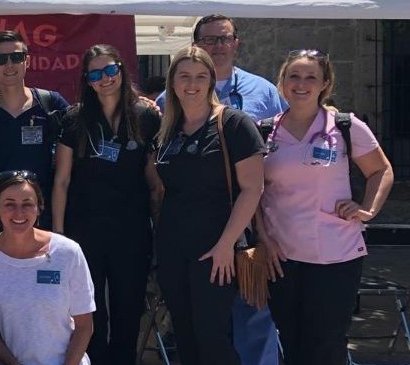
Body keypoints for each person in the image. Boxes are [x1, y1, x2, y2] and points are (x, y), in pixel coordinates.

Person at [154, 15, 287, 365]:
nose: (192, 84)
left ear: (211, 81)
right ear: (172, 83)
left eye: (200, 77)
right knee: (184, 332)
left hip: (216, 247)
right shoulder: (168, 128)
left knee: (213, 335)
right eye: (184, 76)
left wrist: (227, 244)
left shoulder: (234, 124)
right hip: (173, 247)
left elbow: (252, 188)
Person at [259, 50, 394, 365]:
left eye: (311, 77)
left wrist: (367, 210)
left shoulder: (345, 126)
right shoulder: (264, 131)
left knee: (326, 342)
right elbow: (253, 192)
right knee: (291, 340)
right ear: (282, 82)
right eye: (294, 76)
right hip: (281, 255)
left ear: (325, 84)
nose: (301, 84)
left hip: (335, 254)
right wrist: (263, 239)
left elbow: (381, 170)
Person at [51, 44, 163, 365]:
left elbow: (154, 182)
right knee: (90, 312)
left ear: (122, 70)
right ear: (87, 80)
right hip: (85, 231)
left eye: (111, 70)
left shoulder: (145, 117)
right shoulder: (75, 119)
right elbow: (62, 181)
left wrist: (160, 228)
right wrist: (58, 235)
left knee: (129, 309)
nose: (105, 78)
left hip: (132, 230)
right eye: (96, 74)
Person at [0, 170, 96, 365]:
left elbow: (84, 326)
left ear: (39, 208)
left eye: (27, 204)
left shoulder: (68, 252)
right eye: (9, 204)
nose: (19, 213)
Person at [0, 31, 71, 239]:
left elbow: (84, 132)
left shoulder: (51, 104)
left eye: (16, 57)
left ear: (27, 61)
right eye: (0, 59)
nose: (9, 65)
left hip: (40, 218)